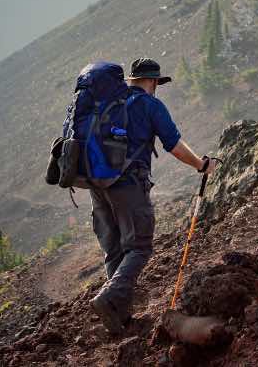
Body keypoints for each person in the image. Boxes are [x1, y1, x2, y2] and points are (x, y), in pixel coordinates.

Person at [89, 58, 217, 335]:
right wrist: (201, 164)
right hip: (128, 184)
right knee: (139, 247)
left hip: (96, 185)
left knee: (116, 250)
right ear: (153, 81)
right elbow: (173, 145)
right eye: (157, 82)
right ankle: (109, 298)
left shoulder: (106, 103)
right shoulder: (150, 105)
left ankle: (119, 318)